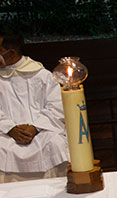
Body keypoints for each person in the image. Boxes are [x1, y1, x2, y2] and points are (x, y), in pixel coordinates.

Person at [0, 30, 69, 183]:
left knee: (55, 143)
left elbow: (57, 107)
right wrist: (10, 129)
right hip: (5, 133)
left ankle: (57, 193)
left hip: (40, 131)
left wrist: (35, 127)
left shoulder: (41, 75)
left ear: (11, 53)